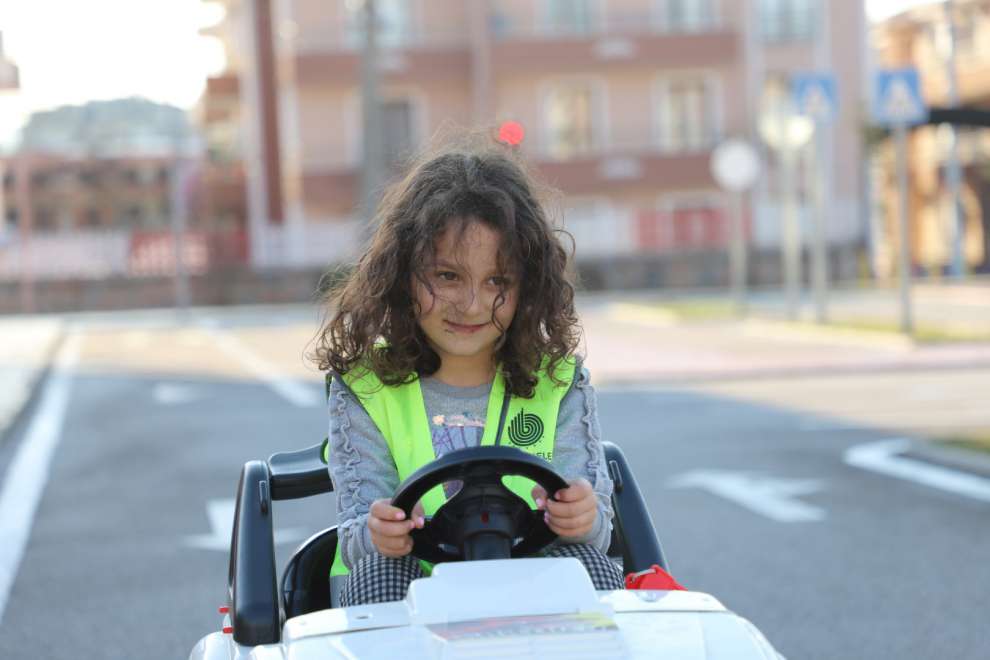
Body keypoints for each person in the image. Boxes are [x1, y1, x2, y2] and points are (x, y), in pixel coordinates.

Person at [310, 132, 624, 606]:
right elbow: (357, 532)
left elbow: (596, 531)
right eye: (447, 276)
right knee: (380, 570)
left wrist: (583, 517)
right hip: (413, 592)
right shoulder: (364, 387)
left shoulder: (557, 383)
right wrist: (381, 531)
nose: (471, 304)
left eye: (498, 280)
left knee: (591, 568)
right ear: (402, 273)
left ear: (529, 286)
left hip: (534, 592)